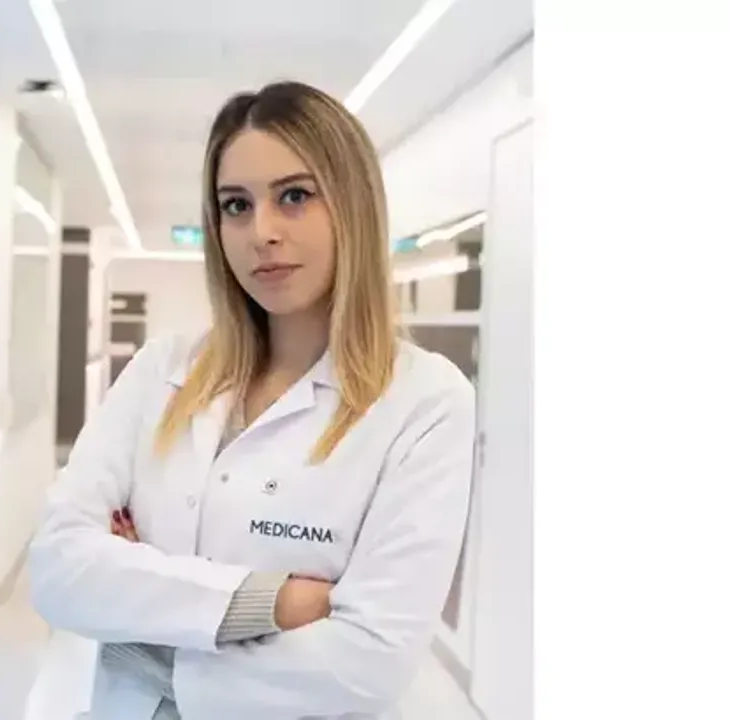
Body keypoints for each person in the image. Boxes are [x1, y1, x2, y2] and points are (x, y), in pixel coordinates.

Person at [27, 80, 477, 720]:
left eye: (294, 196)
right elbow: (57, 569)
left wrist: (143, 625)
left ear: (352, 204)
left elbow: (368, 661)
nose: (261, 232)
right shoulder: (162, 370)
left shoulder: (425, 401)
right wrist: (272, 603)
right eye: (235, 205)